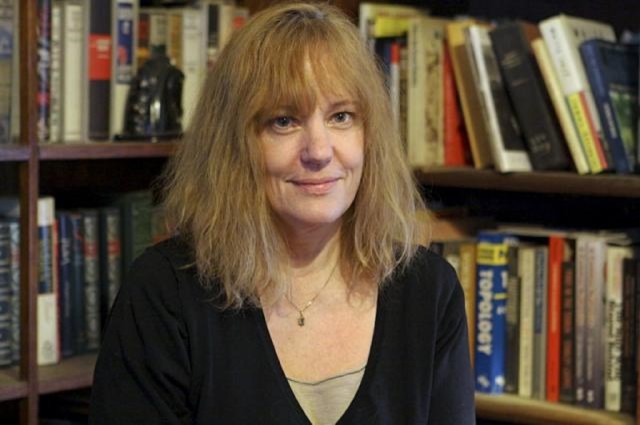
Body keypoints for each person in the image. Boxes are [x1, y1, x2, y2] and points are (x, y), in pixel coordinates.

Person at [89, 2, 475, 424]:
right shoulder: (164, 293)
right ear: (234, 146)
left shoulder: (429, 293)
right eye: (284, 121)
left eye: (341, 116)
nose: (319, 151)